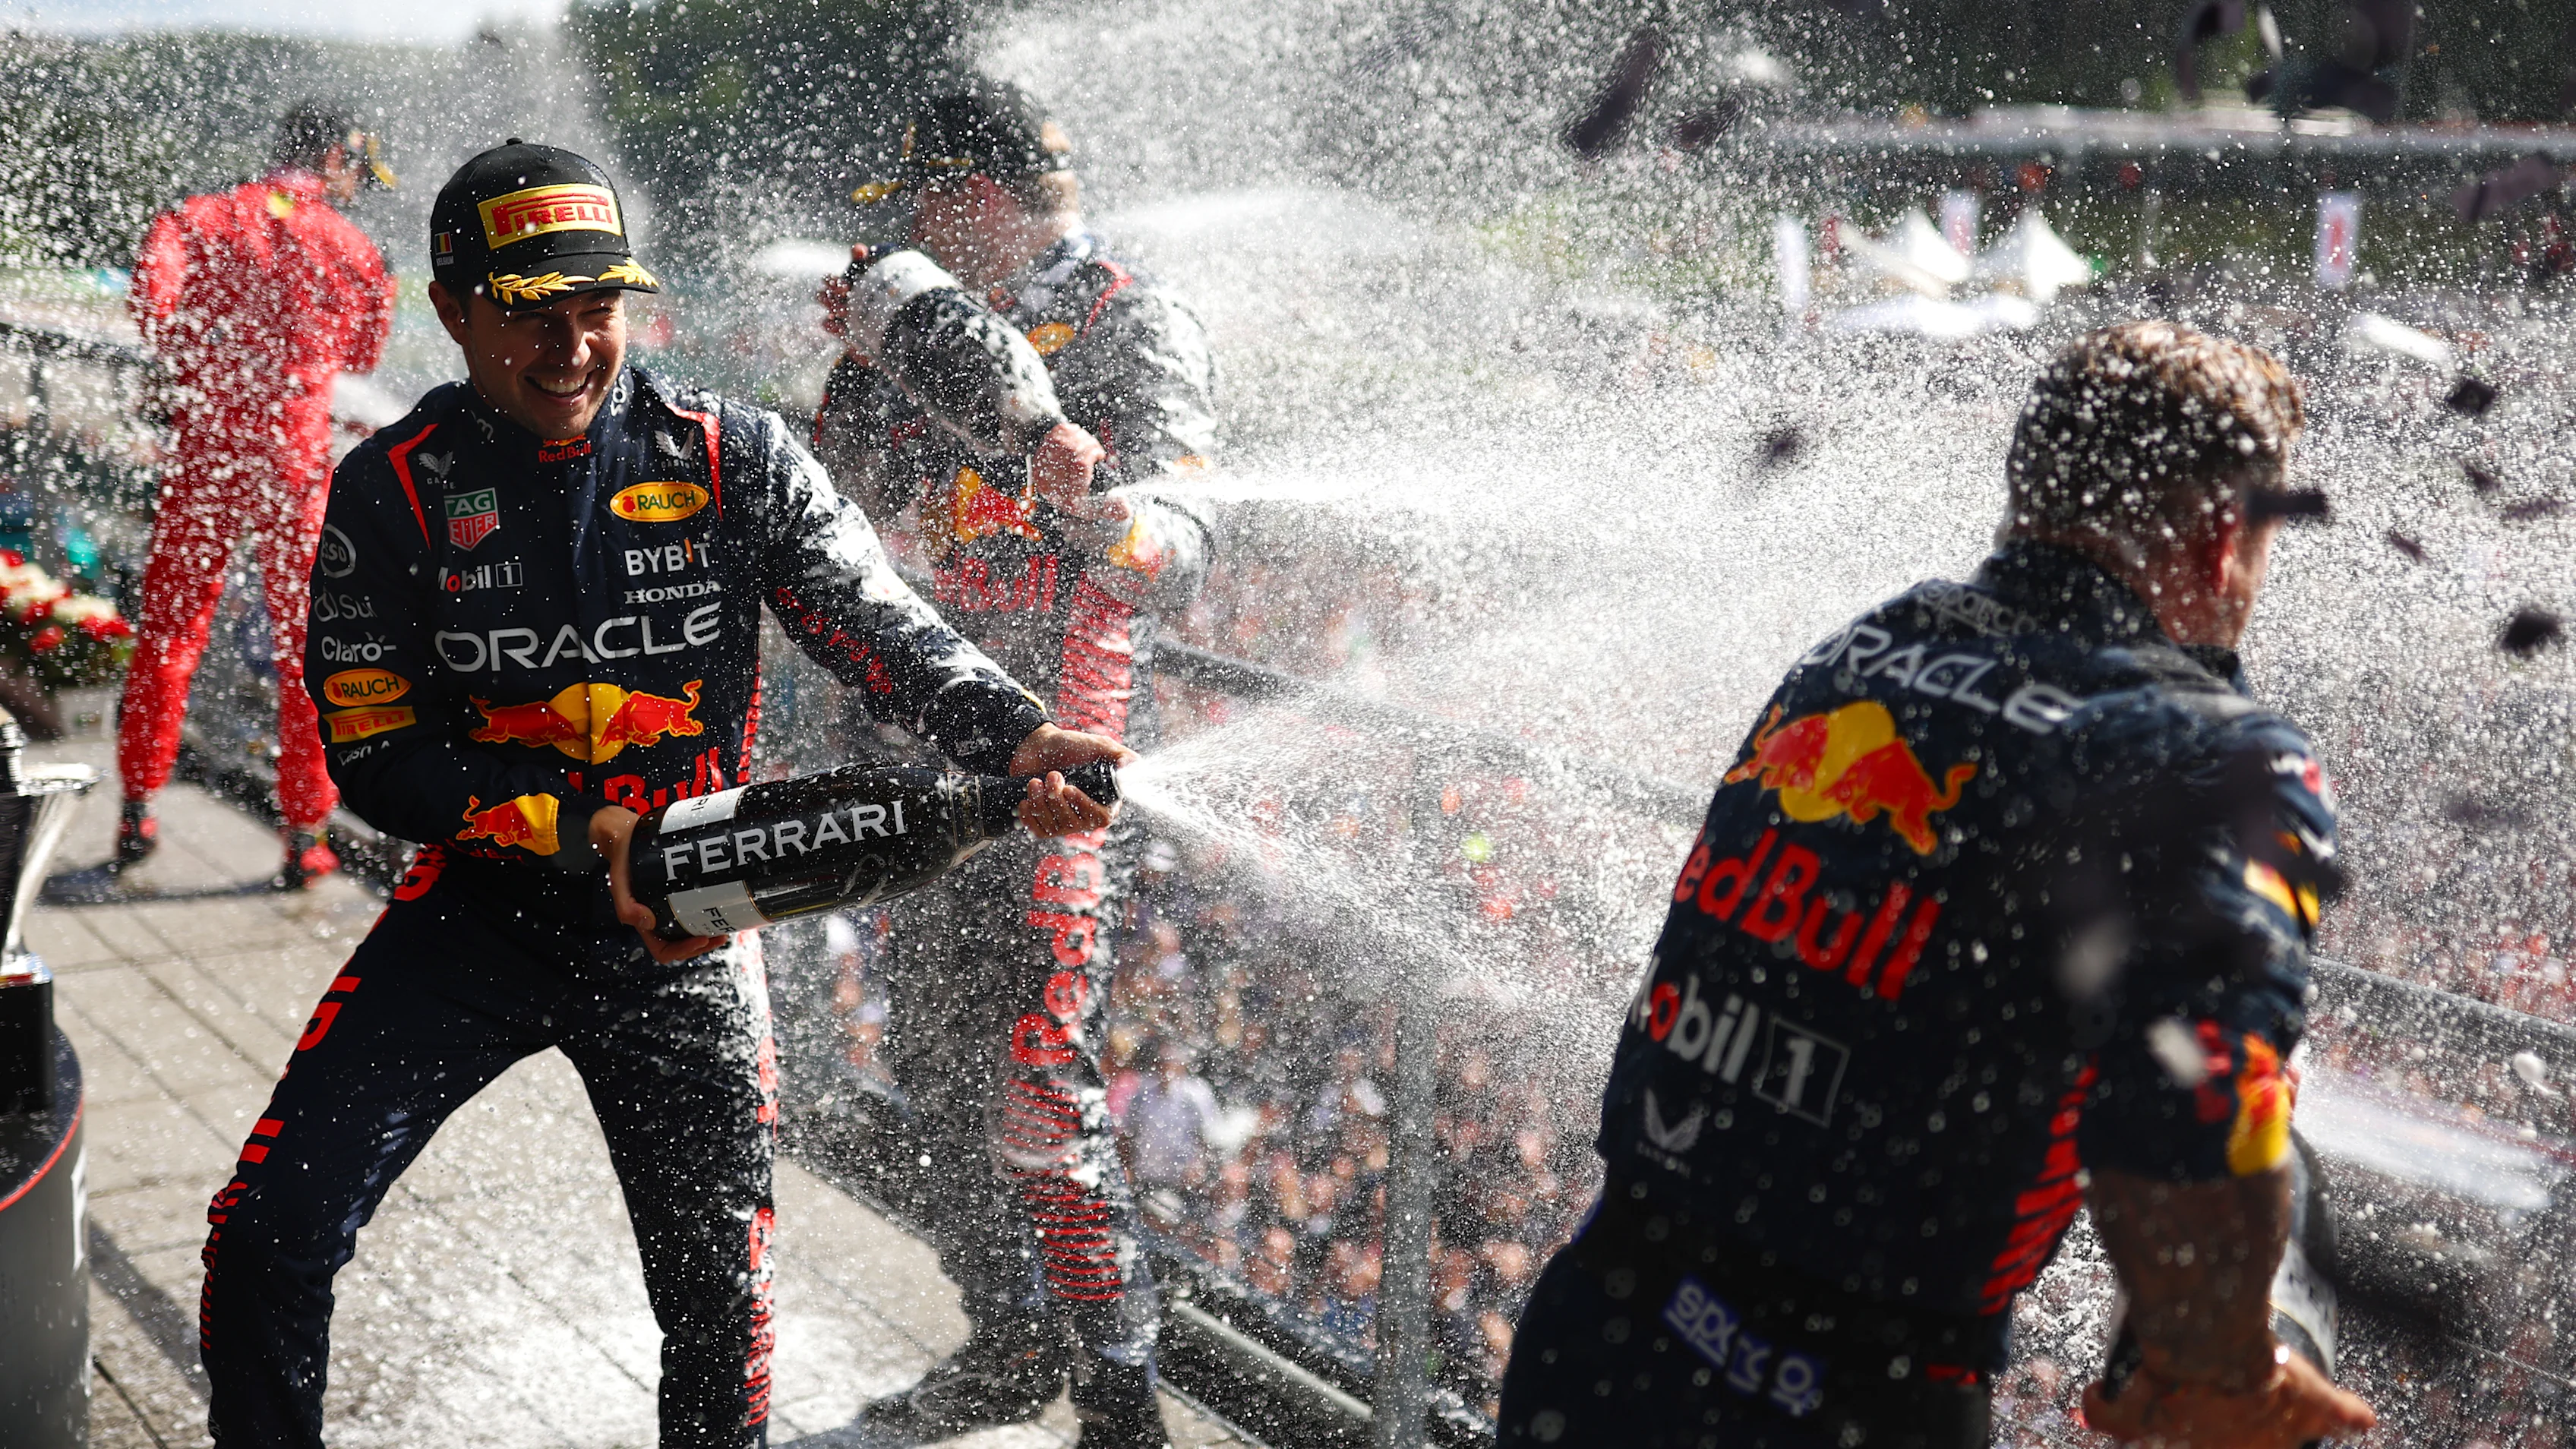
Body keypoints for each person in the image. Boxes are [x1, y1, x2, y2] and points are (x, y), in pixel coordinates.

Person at [194, 140, 1127, 1449]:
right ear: (453, 308)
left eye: (599, 308)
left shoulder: (733, 454)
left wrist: (1016, 733)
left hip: (686, 934)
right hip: (477, 917)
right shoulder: (386, 487)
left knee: (720, 1306)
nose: (574, 347)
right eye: (531, 313)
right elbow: (372, 752)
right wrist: (582, 831)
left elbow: (878, 622)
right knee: (262, 1234)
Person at [1496, 322, 2378, 1449]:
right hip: (1845, 1405)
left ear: (2027, 495)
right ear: (2221, 540)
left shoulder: (1859, 649)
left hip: (1598, 1332)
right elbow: (2201, 1101)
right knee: (2278, 1131)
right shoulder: (2205, 750)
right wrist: (2226, 1370)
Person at [808, 77, 1218, 1448]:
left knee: (1041, 1084)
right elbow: (838, 496)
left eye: (926, 201)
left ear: (973, 197)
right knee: (929, 1058)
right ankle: (1004, 1341)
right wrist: (861, 383)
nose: (909, 224)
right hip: (925, 745)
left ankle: (1121, 1407)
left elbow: (1187, 522)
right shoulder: (926, 317)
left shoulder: (1126, 314)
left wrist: (1117, 518)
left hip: (1066, 756)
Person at [113, 102, 399, 887]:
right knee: (305, 650)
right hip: (297, 467)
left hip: (207, 455)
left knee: (170, 632)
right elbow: (366, 353)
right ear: (338, 158)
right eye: (355, 168)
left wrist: (208, 362)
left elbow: (151, 306)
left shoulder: (199, 217)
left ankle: (137, 805)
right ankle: (305, 831)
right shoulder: (355, 248)